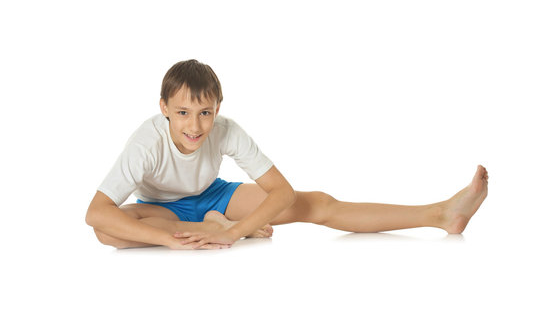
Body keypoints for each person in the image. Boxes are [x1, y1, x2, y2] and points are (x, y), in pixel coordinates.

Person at [85, 59, 489, 250]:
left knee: (317, 204)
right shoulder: (146, 142)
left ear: (217, 109)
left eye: (205, 113)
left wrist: (232, 230)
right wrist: (169, 239)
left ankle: (439, 214)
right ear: (164, 109)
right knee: (109, 232)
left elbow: (282, 192)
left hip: (215, 195)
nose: (194, 126)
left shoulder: (224, 130)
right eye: (183, 113)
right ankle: (210, 224)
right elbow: (96, 212)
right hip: (161, 209)